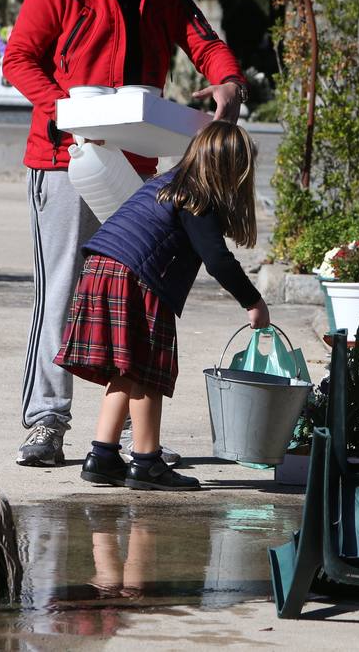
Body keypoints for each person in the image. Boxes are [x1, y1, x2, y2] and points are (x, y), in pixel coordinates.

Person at [2, 0, 250, 467]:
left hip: (135, 167)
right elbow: (19, 59)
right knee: (60, 292)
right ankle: (46, 420)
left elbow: (205, 45)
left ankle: (117, 440)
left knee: (131, 295)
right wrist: (68, 112)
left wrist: (228, 81)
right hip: (64, 160)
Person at [55, 121, 270, 491]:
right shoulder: (196, 199)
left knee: (125, 371)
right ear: (228, 170)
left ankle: (103, 456)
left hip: (101, 266)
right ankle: (147, 461)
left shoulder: (166, 185)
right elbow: (218, 260)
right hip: (137, 278)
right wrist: (253, 302)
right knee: (148, 373)